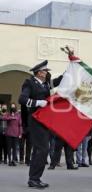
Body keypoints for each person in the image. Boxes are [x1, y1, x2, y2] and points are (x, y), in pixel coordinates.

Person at [18, 60, 63, 189]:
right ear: (39, 73)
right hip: (36, 120)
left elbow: (60, 80)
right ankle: (34, 178)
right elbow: (22, 99)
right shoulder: (29, 83)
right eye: (45, 71)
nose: (47, 73)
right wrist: (38, 103)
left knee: (39, 150)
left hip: (45, 121)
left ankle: (34, 178)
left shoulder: (45, 84)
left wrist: (72, 64)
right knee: (43, 149)